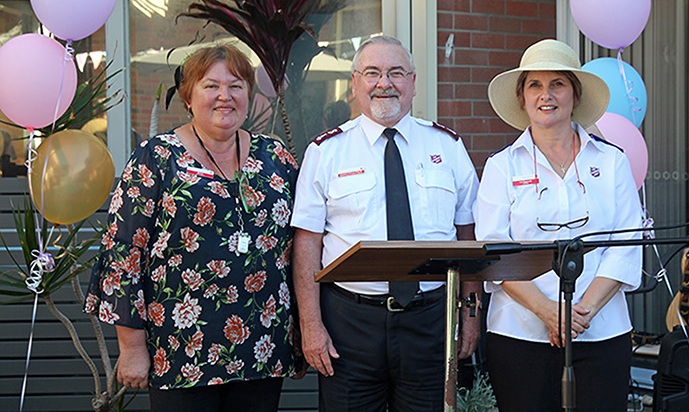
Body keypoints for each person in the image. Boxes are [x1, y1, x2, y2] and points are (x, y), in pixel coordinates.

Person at [84, 44, 300, 412]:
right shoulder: (156, 157)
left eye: (236, 85)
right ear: (189, 96)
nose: (224, 96)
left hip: (262, 346)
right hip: (181, 350)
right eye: (210, 85)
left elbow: (300, 245)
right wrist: (132, 347)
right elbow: (124, 253)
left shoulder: (275, 156)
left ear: (249, 92)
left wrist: (304, 329)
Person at [291, 35, 481, 412]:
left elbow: (468, 235)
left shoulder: (448, 146)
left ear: (413, 82)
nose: (384, 83)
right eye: (373, 73)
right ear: (355, 84)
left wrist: (470, 315)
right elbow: (307, 243)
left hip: (431, 320)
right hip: (349, 323)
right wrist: (311, 326)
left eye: (396, 72)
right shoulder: (326, 151)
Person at [474, 38, 643, 411]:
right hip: (520, 334)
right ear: (522, 97)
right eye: (535, 84)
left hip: (601, 331)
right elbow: (493, 251)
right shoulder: (502, 166)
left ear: (575, 95)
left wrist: (580, 312)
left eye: (558, 84)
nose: (545, 95)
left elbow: (628, 243)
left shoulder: (613, 162)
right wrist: (549, 312)